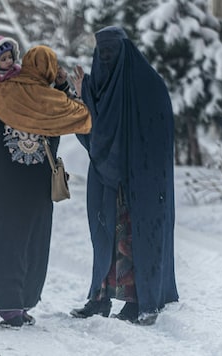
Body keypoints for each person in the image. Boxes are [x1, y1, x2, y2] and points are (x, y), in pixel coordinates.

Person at [0, 45, 92, 328]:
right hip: (35, 184)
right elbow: (84, 118)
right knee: (30, 240)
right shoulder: (55, 101)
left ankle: (7, 305)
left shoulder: (0, 91)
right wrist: (63, 85)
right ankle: (19, 302)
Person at [70, 26, 178, 325]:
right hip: (106, 180)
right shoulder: (100, 87)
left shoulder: (148, 85)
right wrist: (84, 97)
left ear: (125, 49)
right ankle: (100, 298)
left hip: (139, 182)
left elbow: (159, 135)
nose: (106, 58)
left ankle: (138, 300)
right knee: (104, 237)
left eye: (112, 51)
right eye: (101, 52)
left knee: (134, 239)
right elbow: (95, 136)